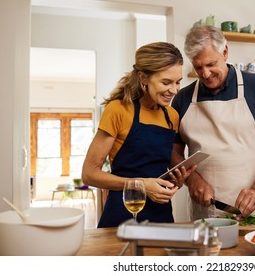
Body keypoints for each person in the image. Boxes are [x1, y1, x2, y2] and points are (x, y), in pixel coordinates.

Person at [171, 25, 255, 220]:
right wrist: (191, 180)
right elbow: (173, 152)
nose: (206, 74)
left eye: (211, 64)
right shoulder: (182, 98)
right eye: (198, 67)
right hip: (205, 214)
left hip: (254, 212)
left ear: (225, 52)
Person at [82, 42, 195, 228]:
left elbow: (156, 169)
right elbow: (89, 174)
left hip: (162, 216)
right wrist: (142, 185)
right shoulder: (118, 110)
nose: (174, 90)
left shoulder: (171, 116)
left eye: (177, 82)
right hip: (123, 213)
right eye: (166, 82)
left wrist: (176, 181)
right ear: (143, 78)